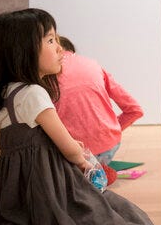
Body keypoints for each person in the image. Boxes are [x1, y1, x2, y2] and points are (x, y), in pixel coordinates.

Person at [0, 8, 161, 225]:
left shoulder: (8, 92)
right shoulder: (34, 94)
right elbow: (64, 143)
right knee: (102, 212)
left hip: (12, 182)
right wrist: (84, 161)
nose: (60, 49)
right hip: (44, 177)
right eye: (51, 40)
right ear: (24, 50)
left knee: (27, 212)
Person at [56, 35, 144, 164]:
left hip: (72, 153)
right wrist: (110, 131)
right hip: (108, 147)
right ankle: (98, 171)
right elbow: (135, 110)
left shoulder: (46, 74)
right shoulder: (93, 64)